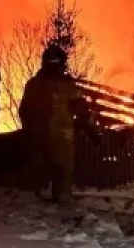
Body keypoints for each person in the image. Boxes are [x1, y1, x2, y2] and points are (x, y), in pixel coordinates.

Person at [18, 44, 85, 204]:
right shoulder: (69, 86)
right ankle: (61, 208)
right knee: (63, 173)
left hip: (38, 135)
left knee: (36, 170)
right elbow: (83, 111)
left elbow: (24, 110)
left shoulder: (33, 84)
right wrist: (93, 130)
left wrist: (28, 129)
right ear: (62, 63)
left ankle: (32, 204)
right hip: (63, 137)